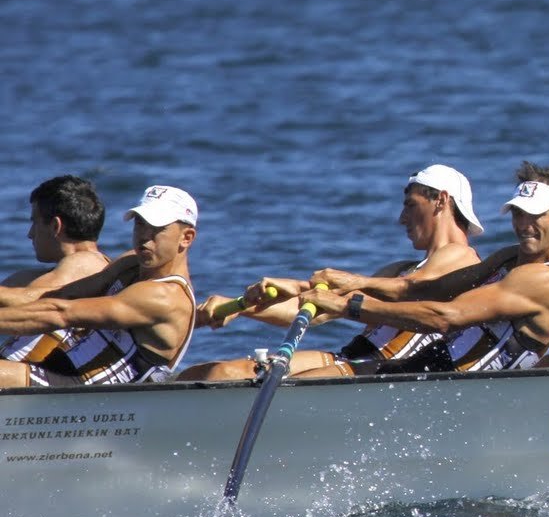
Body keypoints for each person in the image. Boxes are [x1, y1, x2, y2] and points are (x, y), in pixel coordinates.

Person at [179, 164, 483, 381]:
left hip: (388, 371)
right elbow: (323, 310)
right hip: (353, 355)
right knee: (215, 372)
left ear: (441, 200)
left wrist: (309, 287)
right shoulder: (400, 269)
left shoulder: (462, 257)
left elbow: (416, 289)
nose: (401, 218)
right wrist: (243, 307)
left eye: (410, 205)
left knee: (232, 378)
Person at [274, 163, 549, 375]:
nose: (523, 225)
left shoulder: (547, 280)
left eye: (535, 216)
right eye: (518, 213)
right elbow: (426, 289)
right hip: (423, 370)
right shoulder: (508, 258)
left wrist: (349, 306)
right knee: (289, 375)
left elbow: (444, 317)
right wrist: (355, 282)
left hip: (455, 393)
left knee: (313, 379)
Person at [0, 185, 199, 387]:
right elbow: (63, 296)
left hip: (82, 393)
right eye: (140, 224)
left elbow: (59, 313)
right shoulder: (130, 263)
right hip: (55, 370)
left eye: (157, 228)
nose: (144, 236)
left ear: (186, 237)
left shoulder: (164, 296)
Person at [1, 175, 110, 291]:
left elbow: (33, 300)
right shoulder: (101, 264)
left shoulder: (83, 262)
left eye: (35, 223)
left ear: (55, 226)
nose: (30, 234)